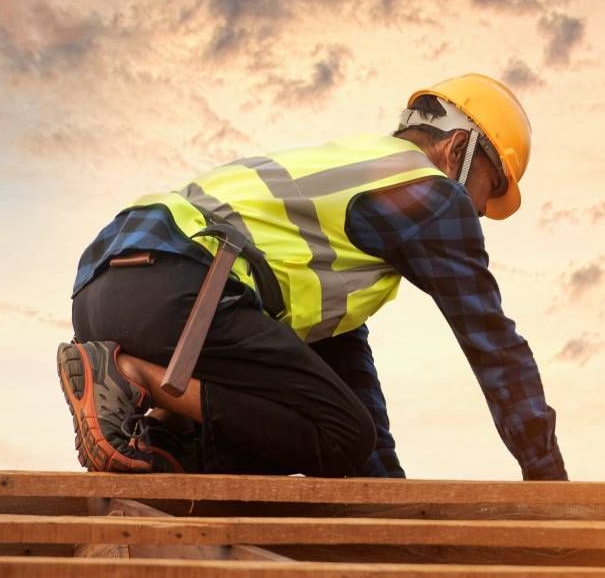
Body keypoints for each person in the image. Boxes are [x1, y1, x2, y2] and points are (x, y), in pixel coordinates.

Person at [59, 74, 566, 480]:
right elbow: (495, 348)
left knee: (337, 434)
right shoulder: (430, 194)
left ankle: (159, 440)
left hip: (104, 292)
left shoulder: (338, 221)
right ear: (457, 149)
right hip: (182, 287)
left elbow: (354, 404)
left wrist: (390, 504)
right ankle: (134, 379)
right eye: (488, 189)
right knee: (341, 434)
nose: (480, 212)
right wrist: (549, 482)